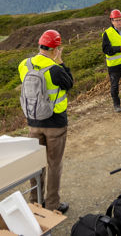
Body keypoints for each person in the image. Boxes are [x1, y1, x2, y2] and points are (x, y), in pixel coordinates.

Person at [18, 30, 73, 214]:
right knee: (54, 164)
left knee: (36, 164)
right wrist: (60, 61)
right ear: (55, 49)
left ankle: (35, 201)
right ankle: (52, 205)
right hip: (55, 124)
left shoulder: (24, 65)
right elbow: (69, 83)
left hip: (33, 123)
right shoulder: (56, 70)